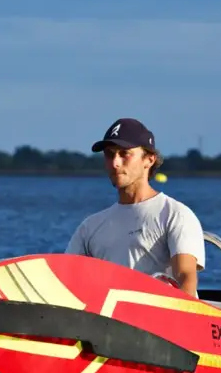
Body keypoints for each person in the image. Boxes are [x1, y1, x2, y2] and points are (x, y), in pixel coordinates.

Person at [66, 117, 206, 297]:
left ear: (149, 160)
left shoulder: (175, 214)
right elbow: (65, 280)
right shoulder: (89, 227)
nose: (115, 163)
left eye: (124, 153)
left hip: (163, 312)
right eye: (109, 154)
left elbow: (185, 278)